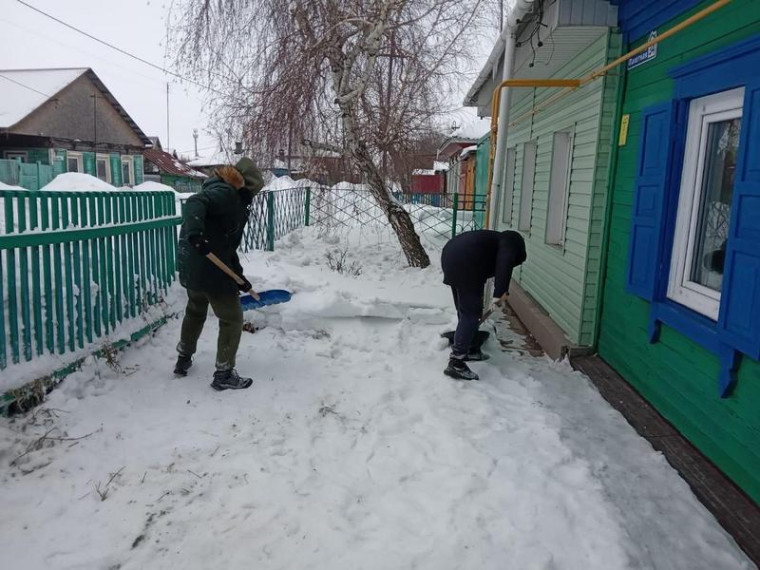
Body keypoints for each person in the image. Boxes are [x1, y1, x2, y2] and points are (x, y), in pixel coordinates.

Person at [173, 157, 264, 391]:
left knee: (195, 311)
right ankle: (224, 372)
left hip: (194, 265)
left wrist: (240, 278)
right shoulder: (227, 193)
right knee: (232, 318)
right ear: (245, 185)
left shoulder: (220, 190)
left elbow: (225, 245)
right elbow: (195, 201)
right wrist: (195, 233)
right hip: (209, 268)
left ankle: (183, 358)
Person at [440, 229, 527, 381]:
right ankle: (456, 361)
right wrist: (500, 292)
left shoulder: (493, 241)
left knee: (465, 310)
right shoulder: (511, 242)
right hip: (467, 261)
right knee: (471, 313)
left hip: (451, 255)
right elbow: (505, 261)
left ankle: (469, 346)